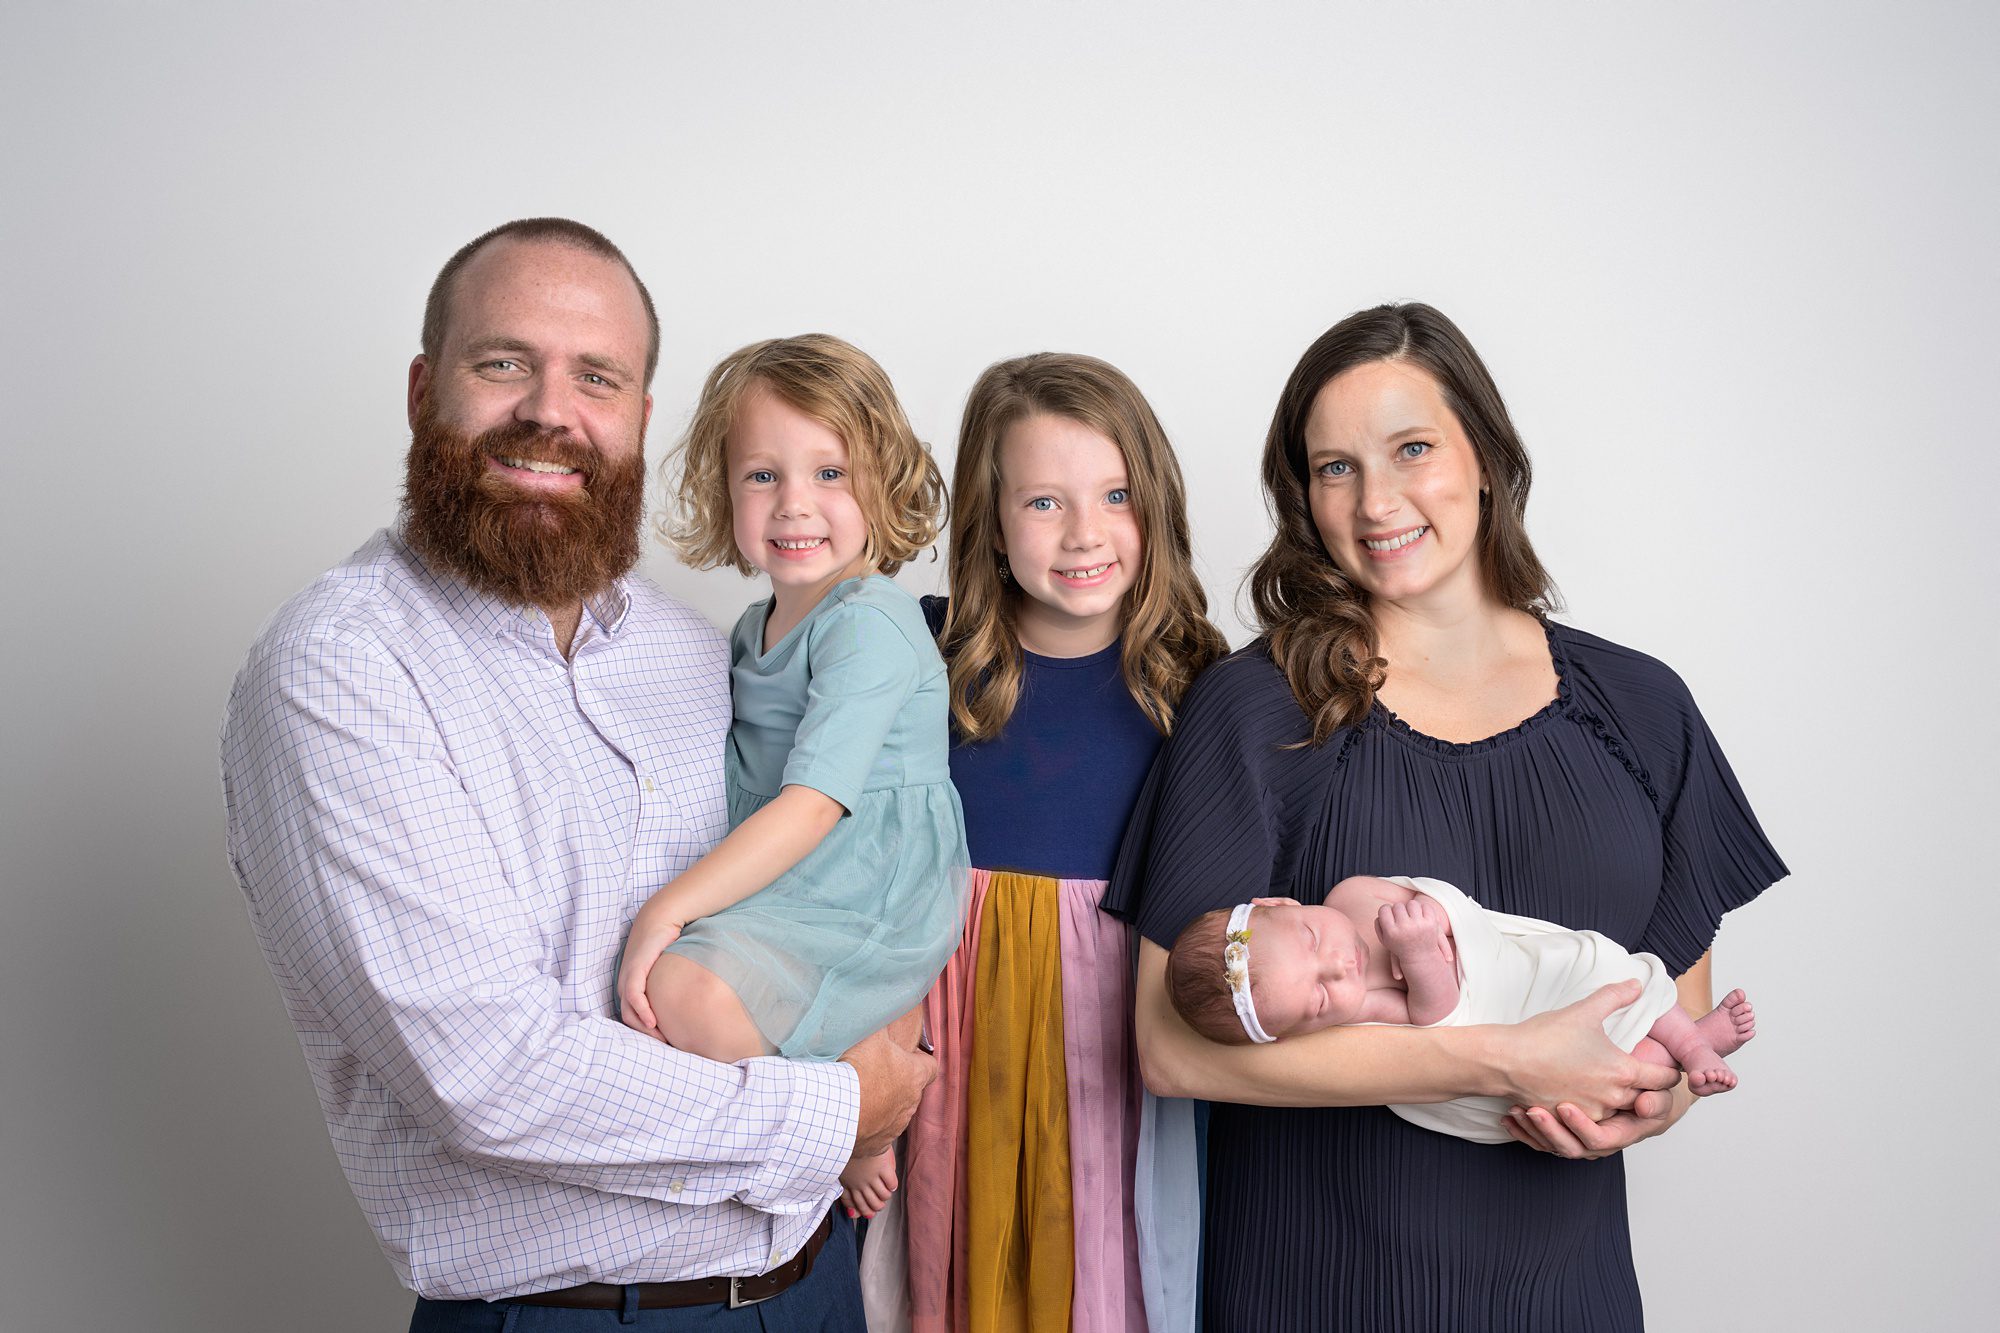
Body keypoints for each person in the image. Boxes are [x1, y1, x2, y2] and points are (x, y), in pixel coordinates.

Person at [221, 219, 931, 1331]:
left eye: (595, 377)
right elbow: (490, 1075)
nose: (551, 410)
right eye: (503, 362)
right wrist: (838, 1109)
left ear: (640, 421)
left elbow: (814, 891)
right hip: (574, 1317)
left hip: (815, 1285)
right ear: (422, 391)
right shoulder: (345, 668)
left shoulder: (698, 651)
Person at [1103, 303, 1788, 1331]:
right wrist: (1500, 1059)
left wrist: (1652, 1104)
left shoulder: (1640, 710)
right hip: (1313, 1289)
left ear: (1485, 455)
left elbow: (1672, 1002)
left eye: (1410, 448)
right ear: (1302, 497)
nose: (1375, 500)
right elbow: (1171, 1047)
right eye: (1333, 467)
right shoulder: (1253, 710)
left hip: (1566, 1295)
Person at [887, 354, 1228, 1333]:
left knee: (1118, 1282)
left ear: (1153, 506)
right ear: (990, 526)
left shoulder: (1206, 690)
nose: (1083, 533)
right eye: (1043, 501)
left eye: (1114, 495)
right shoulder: (922, 659)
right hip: (952, 1054)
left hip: (1124, 1060)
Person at [615, 333, 970, 1221]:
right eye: (762, 476)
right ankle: (855, 1066)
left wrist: (669, 908)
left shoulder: (872, 621)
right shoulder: (750, 629)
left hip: (869, 880)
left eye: (830, 473)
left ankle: (863, 1094)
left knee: (679, 988)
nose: (794, 505)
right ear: (725, 491)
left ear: (881, 485)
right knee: (665, 1001)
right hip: (795, 872)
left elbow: (811, 804)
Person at [1167, 875, 1759, 1141]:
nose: (1340, 968)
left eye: (1313, 941)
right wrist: (1420, 952)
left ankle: (1691, 1039)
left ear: (1279, 901)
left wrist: (1437, 918)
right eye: (1320, 997)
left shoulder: (1350, 896)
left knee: (1608, 971)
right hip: (1502, 1014)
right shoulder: (1362, 1012)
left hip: (1520, 971)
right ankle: (1681, 1053)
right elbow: (1439, 1018)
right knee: (1612, 1072)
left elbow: (1459, 918)